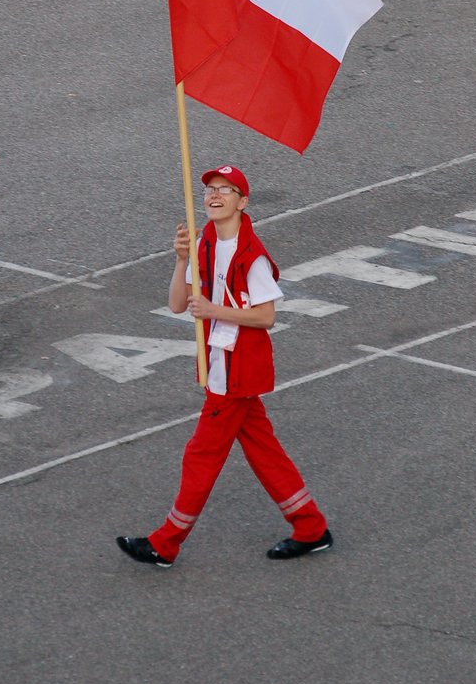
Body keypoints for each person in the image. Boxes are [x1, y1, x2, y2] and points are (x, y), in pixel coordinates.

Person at [116, 164, 332, 566]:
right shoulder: (205, 245)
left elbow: (266, 317)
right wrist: (181, 261)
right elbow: (179, 304)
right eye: (211, 190)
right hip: (220, 364)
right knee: (264, 450)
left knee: (201, 454)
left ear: (243, 202)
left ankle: (166, 542)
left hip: (239, 371)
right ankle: (311, 527)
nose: (214, 196)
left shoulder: (254, 257)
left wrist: (217, 309)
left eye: (226, 190)